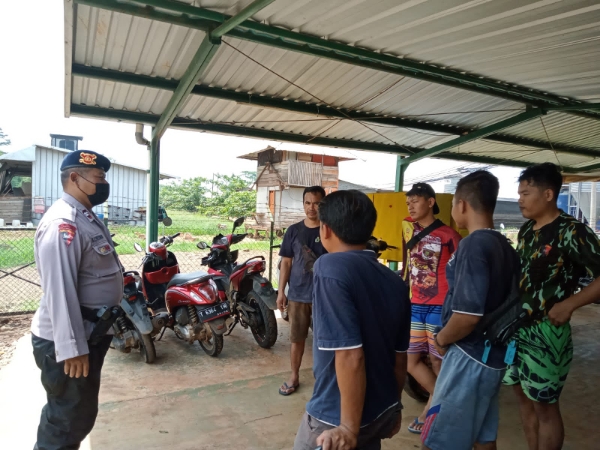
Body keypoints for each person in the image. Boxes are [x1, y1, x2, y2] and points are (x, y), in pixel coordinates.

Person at [293, 190, 411, 450]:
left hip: (335, 418)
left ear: (325, 229)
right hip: (380, 411)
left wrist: (348, 426)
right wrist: (394, 406)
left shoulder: (330, 267)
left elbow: (350, 354)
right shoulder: (394, 281)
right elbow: (400, 356)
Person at [503, 163, 600, 450]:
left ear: (548, 194)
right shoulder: (527, 230)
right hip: (517, 328)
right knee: (523, 398)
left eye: (526, 193)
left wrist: (570, 304)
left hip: (547, 332)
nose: (519, 199)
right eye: (519, 193)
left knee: (545, 407)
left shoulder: (572, 231)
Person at [31, 150, 123, 450]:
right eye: (99, 177)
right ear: (75, 178)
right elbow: (59, 290)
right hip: (70, 340)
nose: (104, 184)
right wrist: (72, 349)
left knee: (77, 415)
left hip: (88, 333)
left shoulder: (85, 216)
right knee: (66, 424)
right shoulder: (63, 223)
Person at [422, 171, 520, 450]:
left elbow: (467, 316)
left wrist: (441, 340)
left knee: (437, 441)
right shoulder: (505, 246)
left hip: (469, 354)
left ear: (462, 204)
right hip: (495, 356)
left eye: (454, 203)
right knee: (483, 436)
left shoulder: (473, 245)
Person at [401, 183, 461, 434]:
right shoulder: (408, 230)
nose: (410, 206)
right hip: (416, 305)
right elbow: (406, 266)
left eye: (415, 201)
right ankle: (438, 400)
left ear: (430, 202)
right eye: (408, 203)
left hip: (440, 306)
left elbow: (460, 274)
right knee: (411, 360)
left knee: (438, 360)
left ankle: (431, 409)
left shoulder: (449, 235)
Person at [277, 186, 327, 396]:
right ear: (303, 204)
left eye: (316, 203)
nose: (311, 207)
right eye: (307, 203)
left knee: (325, 340)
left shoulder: (330, 230)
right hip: (297, 294)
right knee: (297, 338)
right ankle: (294, 376)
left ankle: (325, 381)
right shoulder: (293, 231)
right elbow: (286, 263)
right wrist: (281, 291)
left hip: (324, 295)